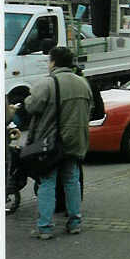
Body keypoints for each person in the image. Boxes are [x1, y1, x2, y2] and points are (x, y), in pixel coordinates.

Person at [23, 46, 92, 240]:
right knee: (72, 181)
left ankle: (45, 227)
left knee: (47, 182)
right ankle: (75, 223)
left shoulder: (47, 83)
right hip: (76, 140)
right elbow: (89, 108)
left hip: (51, 143)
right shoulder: (83, 83)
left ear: (53, 62)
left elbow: (32, 106)